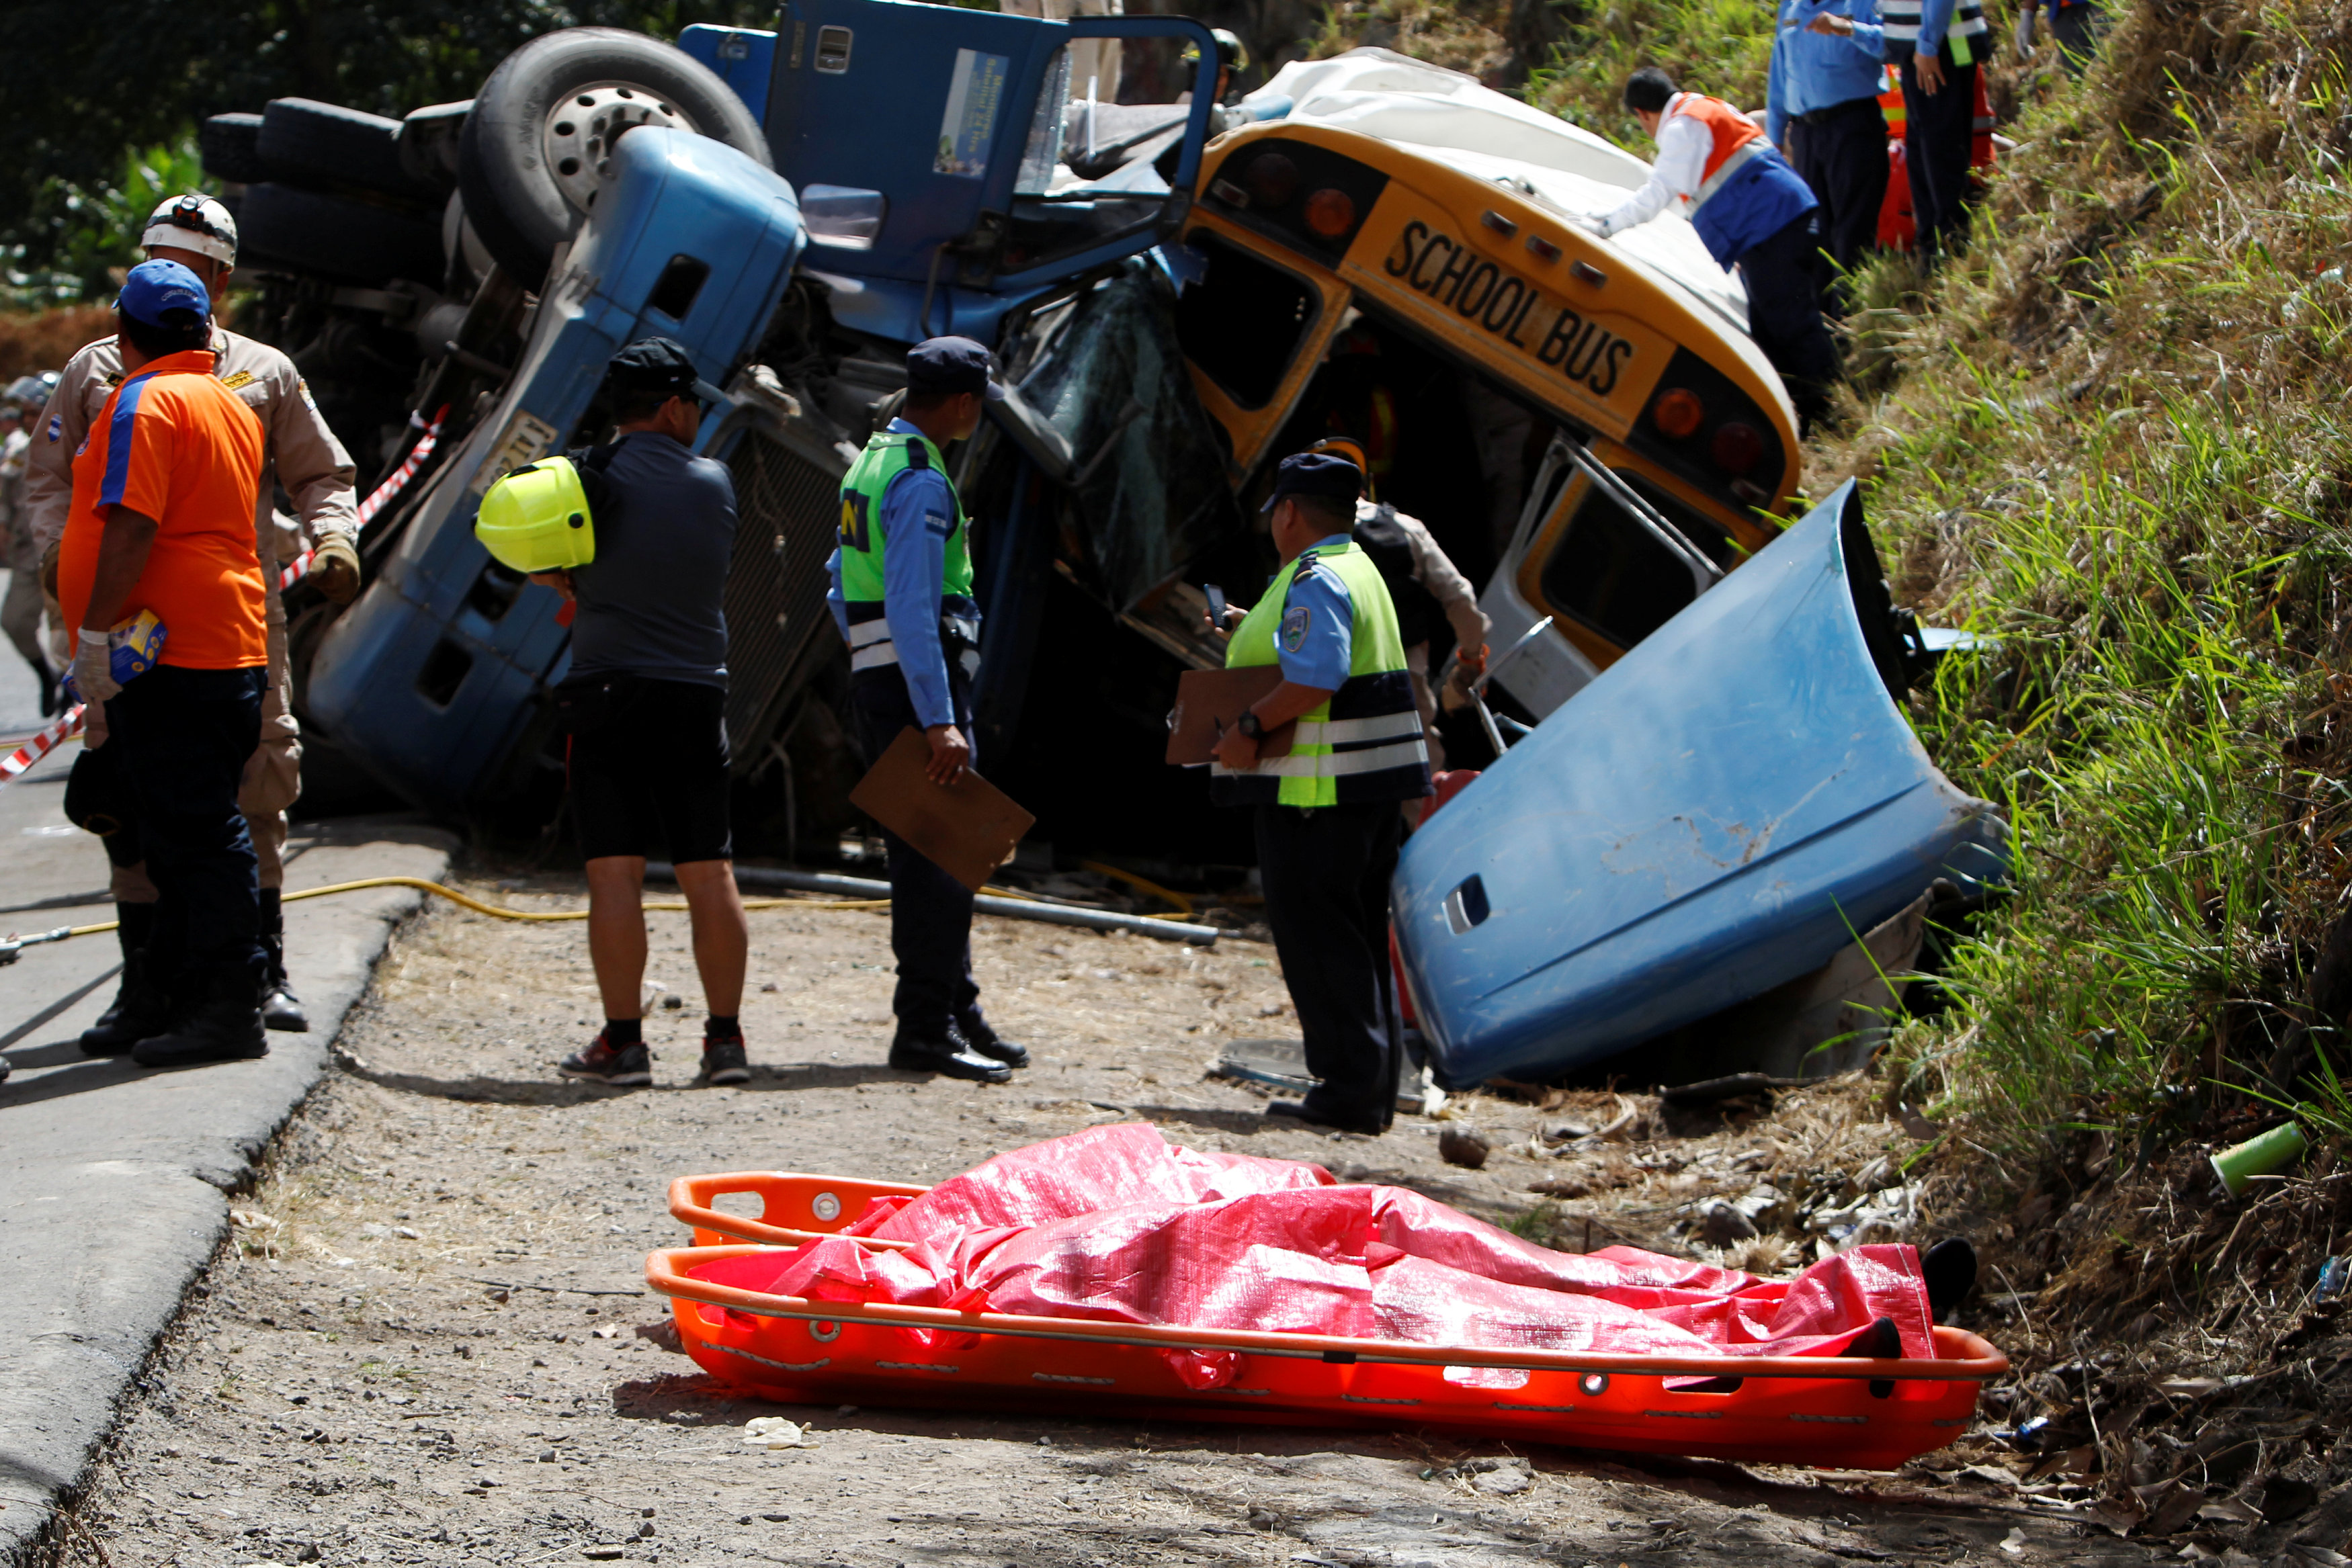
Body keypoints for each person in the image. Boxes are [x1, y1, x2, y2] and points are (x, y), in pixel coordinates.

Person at [29, 195, 360, 1050]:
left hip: (223, 618)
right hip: (131, 624)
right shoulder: (94, 372)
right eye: (151, 256)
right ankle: (151, 985)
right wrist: (59, 563)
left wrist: (334, 541)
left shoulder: (260, 374)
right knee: (128, 800)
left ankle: (255, 975)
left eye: (187, 260)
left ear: (223, 277)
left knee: (252, 785)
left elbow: (320, 472)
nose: (164, 271)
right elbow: (51, 483)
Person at [56, 261, 270, 1068]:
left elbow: (133, 526)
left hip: (172, 652)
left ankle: (226, 1006)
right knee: (177, 830)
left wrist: (95, 633)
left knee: (197, 835)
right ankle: (178, 997)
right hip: (219, 642)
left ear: (124, 334)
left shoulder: (144, 401)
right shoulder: (227, 402)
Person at [528, 338, 753, 1089]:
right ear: (670, 406)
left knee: (615, 876)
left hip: (603, 693)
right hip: (693, 695)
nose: (696, 415)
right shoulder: (714, 483)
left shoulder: (580, 480)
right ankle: (724, 1043)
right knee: (708, 870)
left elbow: (521, 544)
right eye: (691, 403)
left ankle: (623, 1044)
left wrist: (574, 583)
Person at [1209, 451, 1433, 1135]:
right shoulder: (1358, 568)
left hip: (1317, 794)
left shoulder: (1312, 576)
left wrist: (1248, 725)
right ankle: (1368, 1090)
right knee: (1357, 937)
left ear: (1287, 512)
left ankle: (1343, 1091)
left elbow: (1316, 675)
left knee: (1319, 941)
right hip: (1365, 794)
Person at [826, 337, 1026, 1085]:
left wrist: (866, 658)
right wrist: (938, 715)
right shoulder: (920, 481)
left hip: (891, 683)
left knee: (950, 853)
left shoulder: (872, 462)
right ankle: (924, 1030)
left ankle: (955, 1010)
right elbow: (912, 606)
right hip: (920, 688)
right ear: (964, 404)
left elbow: (835, 581)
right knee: (935, 864)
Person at [1590, 70, 1842, 433]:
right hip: (1781, 222)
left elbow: (1658, 193)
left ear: (1642, 114)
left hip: (1771, 229)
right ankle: (1806, 419)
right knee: (1771, 333)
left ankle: (1832, 412)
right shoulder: (1705, 108)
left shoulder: (1682, 129)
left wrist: (1605, 226)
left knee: (1791, 326)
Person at [1304, 436, 1489, 773]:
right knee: (1420, 778)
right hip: (1404, 675)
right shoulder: (1405, 527)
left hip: (1332, 684)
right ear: (1366, 483)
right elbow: (1459, 598)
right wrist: (1471, 659)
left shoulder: (1304, 536)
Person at [1767, 0, 1890, 314]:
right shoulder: (1790, 8)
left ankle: (1850, 323)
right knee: (1814, 232)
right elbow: (1780, 74)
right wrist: (1776, 138)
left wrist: (1848, 29)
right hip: (1806, 134)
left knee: (1852, 229)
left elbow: (1891, 45)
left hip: (1852, 125)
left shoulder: (1862, 3)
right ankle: (1820, 325)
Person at [1881, 0, 1989, 263]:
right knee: (1924, 151)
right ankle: (1933, 243)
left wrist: (1928, 45)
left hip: (1938, 49)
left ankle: (1951, 243)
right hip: (1924, 49)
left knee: (1941, 151)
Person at [0, 382, 58, 713]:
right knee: (15, 622)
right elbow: (8, 492)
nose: (26, 420)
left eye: (35, 412)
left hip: (63, 550)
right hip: (27, 554)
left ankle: (75, 699)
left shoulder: (73, 441)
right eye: (25, 414)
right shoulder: (20, 450)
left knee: (67, 636)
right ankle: (45, 675)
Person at [2013, 0, 2103, 78]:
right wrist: (2028, 14)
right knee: (2077, 75)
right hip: (2062, 12)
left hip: (2096, 4)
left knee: (2105, 53)